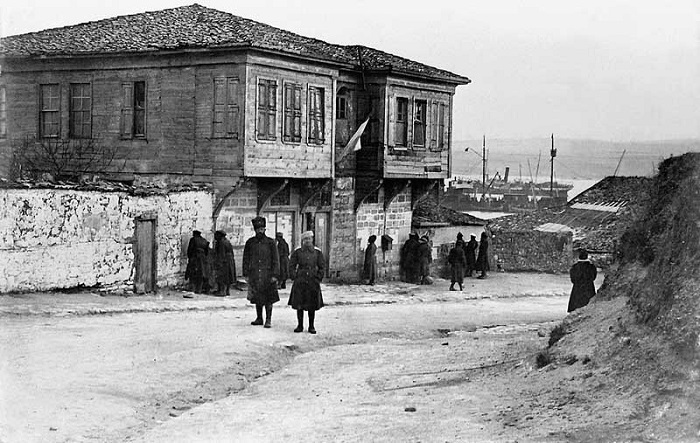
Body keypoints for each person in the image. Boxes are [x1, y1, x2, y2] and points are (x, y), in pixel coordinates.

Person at [242, 216, 280, 328]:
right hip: (255, 274)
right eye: (258, 229)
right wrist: (246, 274)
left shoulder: (271, 242)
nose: (260, 231)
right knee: (258, 297)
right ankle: (259, 318)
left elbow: (276, 260)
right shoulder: (250, 243)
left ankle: (268, 320)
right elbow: (246, 259)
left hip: (267, 275)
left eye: (262, 229)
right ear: (255, 230)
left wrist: (275, 275)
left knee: (269, 299)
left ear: (265, 229)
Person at [288, 231, 325, 334]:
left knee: (311, 305)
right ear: (302, 241)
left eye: (309, 239)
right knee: (299, 305)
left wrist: (318, 278)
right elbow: (291, 265)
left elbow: (322, 267)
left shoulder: (317, 252)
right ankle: (300, 325)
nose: (307, 241)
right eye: (305, 239)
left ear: (312, 239)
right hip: (300, 281)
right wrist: (294, 276)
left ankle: (311, 326)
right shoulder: (298, 252)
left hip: (313, 281)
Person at [213, 230, 236, 296]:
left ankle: (222, 291)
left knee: (222, 276)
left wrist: (218, 263)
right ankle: (227, 291)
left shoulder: (221, 243)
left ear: (219, 235)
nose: (215, 237)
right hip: (229, 261)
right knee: (228, 277)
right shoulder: (227, 241)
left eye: (216, 235)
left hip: (224, 262)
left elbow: (221, 254)